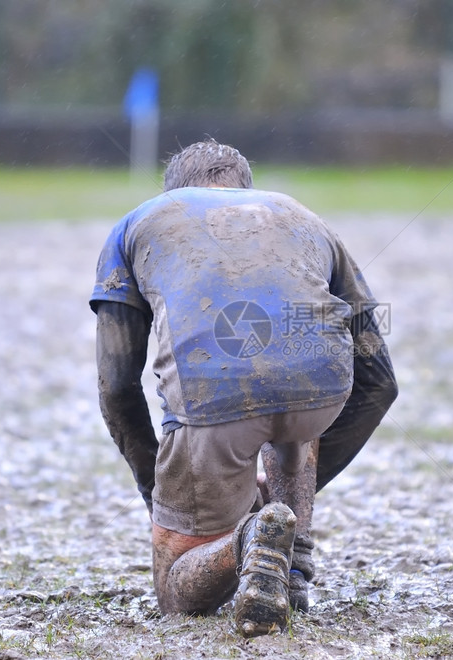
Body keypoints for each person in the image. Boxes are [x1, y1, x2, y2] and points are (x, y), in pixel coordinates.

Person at [90, 139, 397, 637]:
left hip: (213, 404)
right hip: (321, 392)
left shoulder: (138, 223)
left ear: (174, 193)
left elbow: (117, 385)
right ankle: (292, 562)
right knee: (294, 382)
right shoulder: (300, 216)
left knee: (176, 591)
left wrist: (158, 492)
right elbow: (380, 383)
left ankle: (252, 537)